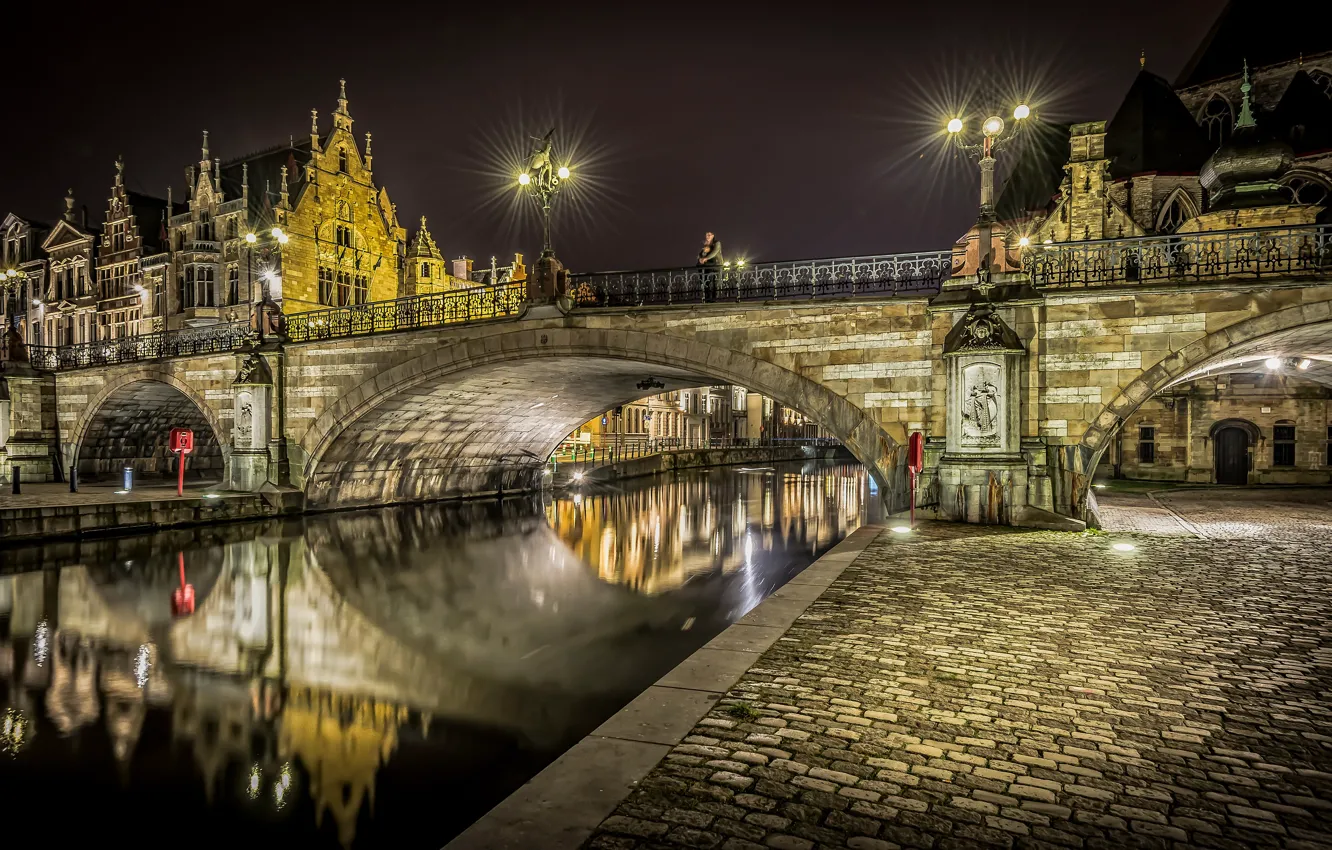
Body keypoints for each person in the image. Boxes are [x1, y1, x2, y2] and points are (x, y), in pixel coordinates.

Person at [697, 232, 722, 302]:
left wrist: (706, 258)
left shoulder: (717, 243)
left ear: (713, 236)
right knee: (706, 281)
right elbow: (701, 254)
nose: (707, 236)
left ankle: (714, 298)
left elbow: (715, 252)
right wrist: (701, 258)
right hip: (707, 266)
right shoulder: (705, 243)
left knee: (715, 282)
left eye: (709, 235)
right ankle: (707, 298)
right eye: (706, 235)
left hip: (716, 265)